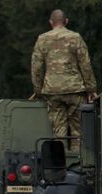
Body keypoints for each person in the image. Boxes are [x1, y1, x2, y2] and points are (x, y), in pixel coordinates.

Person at [30, 9, 97, 153]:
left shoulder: (42, 39)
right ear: (66, 21)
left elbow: (36, 67)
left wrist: (37, 90)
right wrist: (91, 89)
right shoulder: (75, 37)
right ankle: (78, 165)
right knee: (78, 130)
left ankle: (61, 165)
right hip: (75, 90)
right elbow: (85, 64)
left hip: (52, 91)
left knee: (58, 130)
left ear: (50, 23)